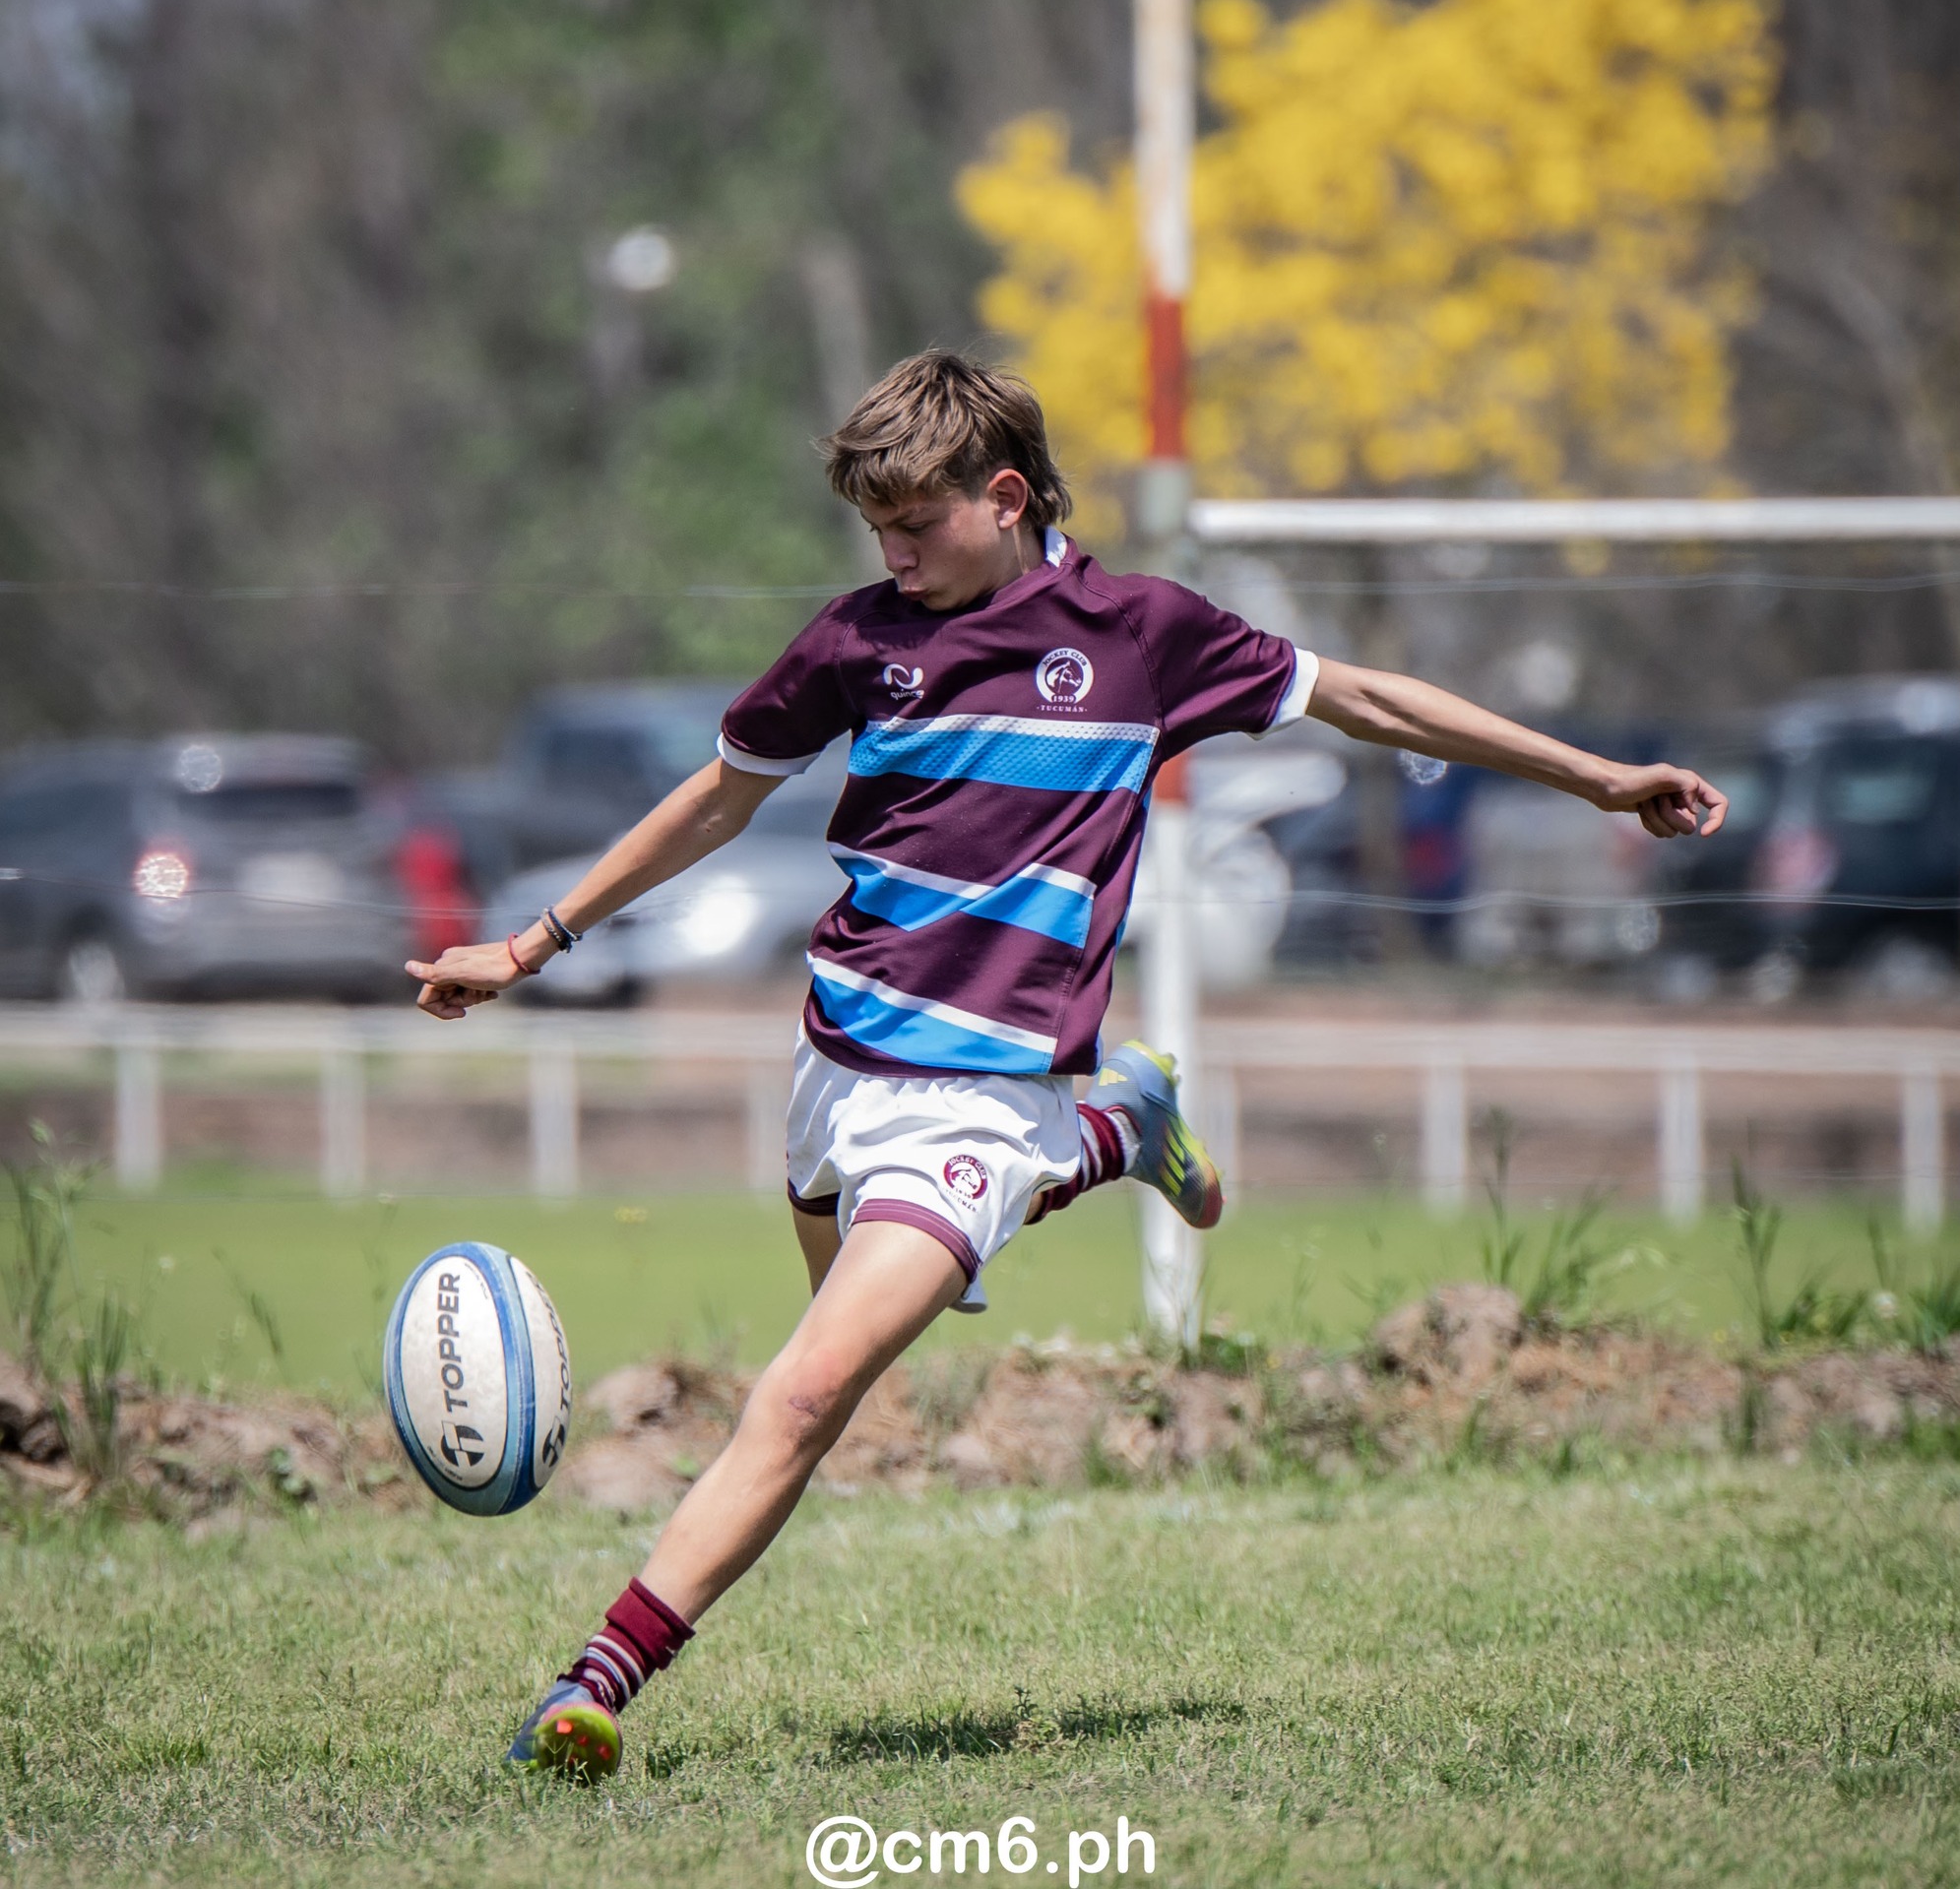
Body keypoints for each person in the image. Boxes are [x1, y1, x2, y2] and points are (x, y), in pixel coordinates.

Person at [406, 349, 1728, 1779]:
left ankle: (593, 1684)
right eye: (875, 533)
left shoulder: (1140, 638)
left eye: (915, 525)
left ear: (1008, 496)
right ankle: (1123, 1124)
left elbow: (1373, 706)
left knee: (802, 1396)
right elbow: (719, 802)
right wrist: (531, 943)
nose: (893, 558)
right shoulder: (859, 642)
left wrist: (1601, 777)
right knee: (832, 1335)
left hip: (982, 1097)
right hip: (836, 1059)